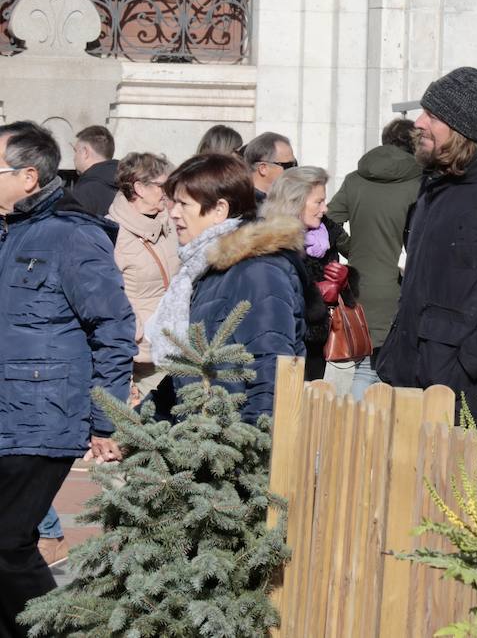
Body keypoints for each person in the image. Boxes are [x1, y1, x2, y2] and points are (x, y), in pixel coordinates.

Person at [0, 122, 135, 632]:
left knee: (8, 540)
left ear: (28, 175)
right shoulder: (8, 230)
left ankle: (57, 629)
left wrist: (105, 419)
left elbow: (115, 327)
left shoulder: (72, 235)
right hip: (6, 414)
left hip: (45, 418)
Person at [375, 67, 477, 418]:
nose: (419, 123)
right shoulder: (434, 185)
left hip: (460, 394)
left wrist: (465, 364)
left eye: (432, 116)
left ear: (459, 128)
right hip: (409, 378)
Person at [146, 153, 307, 423]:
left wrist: (249, 446)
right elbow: (188, 375)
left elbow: (272, 371)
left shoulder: (258, 272)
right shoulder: (204, 269)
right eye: (172, 203)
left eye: (183, 204)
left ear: (219, 210)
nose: (173, 213)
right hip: (202, 440)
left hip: (234, 445)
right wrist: (141, 420)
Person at [326, 118, 421, 399]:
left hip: (359, 283)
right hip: (399, 283)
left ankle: (357, 431)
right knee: (393, 369)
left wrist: (351, 249)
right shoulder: (419, 183)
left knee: (364, 367)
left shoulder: (355, 180)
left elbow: (328, 220)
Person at [263, 167, 347, 387]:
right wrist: (314, 294)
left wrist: (344, 280)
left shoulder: (325, 233)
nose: (325, 208)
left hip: (316, 344)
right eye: (318, 202)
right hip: (283, 347)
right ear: (295, 202)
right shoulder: (270, 241)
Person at [107, 152, 180, 403]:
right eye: (163, 186)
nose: (168, 192)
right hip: (139, 359)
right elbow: (109, 299)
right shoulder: (111, 233)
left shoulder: (172, 223)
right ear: (139, 187)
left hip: (178, 348)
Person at [70, 124, 119, 216]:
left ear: (85, 152)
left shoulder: (85, 192)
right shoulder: (128, 187)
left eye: (76, 151)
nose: (74, 157)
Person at [241, 131, 296, 202]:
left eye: (295, 165)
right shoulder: (243, 204)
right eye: (288, 166)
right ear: (263, 169)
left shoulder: (285, 199)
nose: (293, 171)